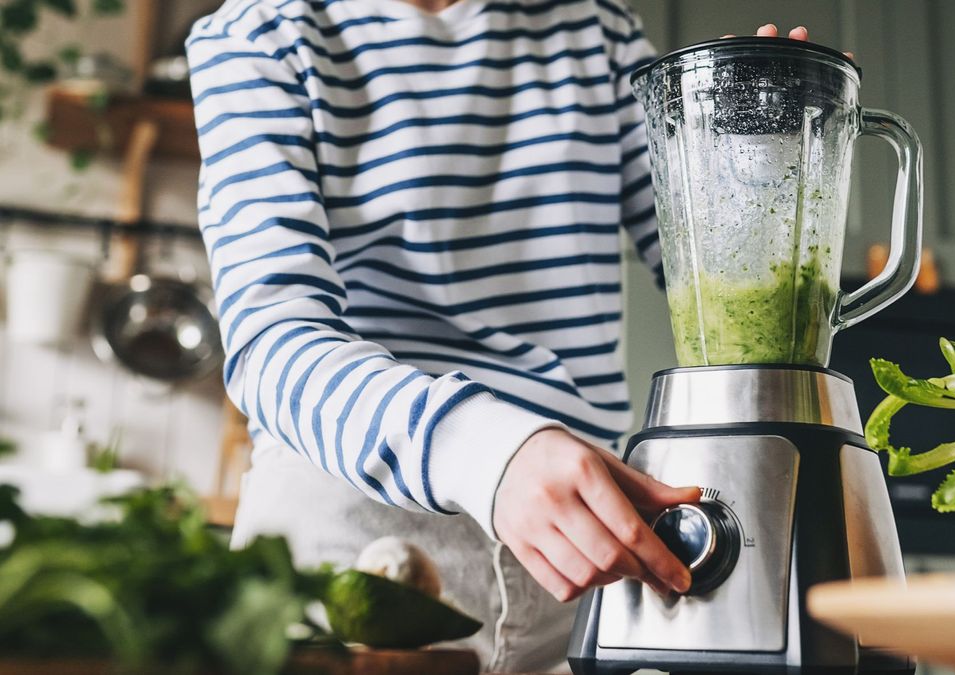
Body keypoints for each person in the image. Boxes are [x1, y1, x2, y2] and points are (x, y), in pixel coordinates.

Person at [187, 2, 813, 671]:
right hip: (350, 557)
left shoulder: (597, 33)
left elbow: (709, 260)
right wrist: (487, 452)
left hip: (582, 561)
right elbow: (272, 341)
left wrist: (751, 144)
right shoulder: (260, 36)